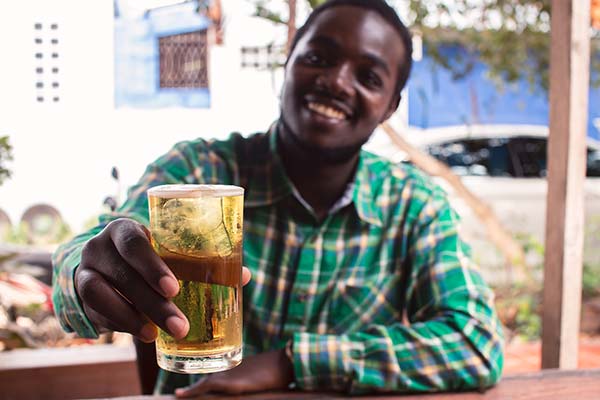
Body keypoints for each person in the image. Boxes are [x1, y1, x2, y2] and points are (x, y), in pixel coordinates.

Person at [52, 0, 504, 396]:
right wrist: (85, 275)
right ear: (286, 64)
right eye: (318, 57)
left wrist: (289, 363)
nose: (337, 82)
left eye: (367, 76)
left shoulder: (413, 204)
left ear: (389, 107)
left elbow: (475, 343)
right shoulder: (198, 173)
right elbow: (83, 257)